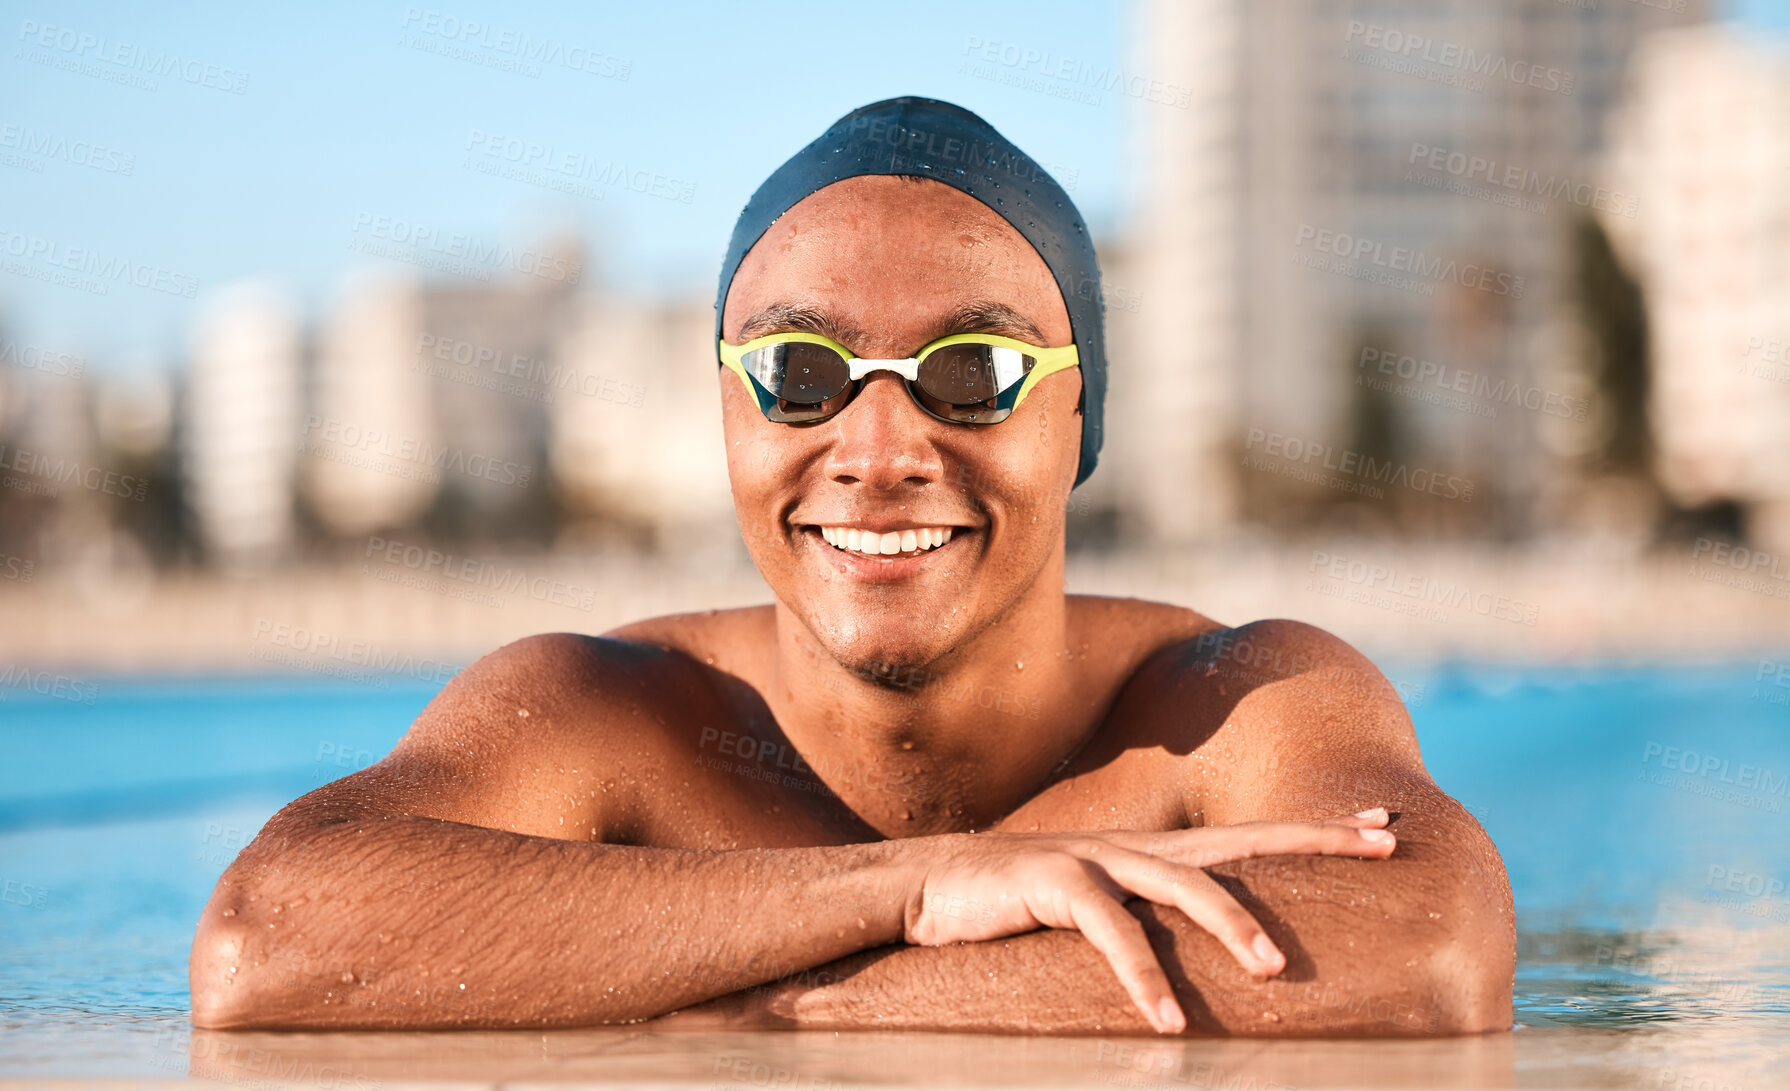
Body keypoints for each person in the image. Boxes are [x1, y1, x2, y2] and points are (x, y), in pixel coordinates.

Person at [189, 97, 1513, 1036]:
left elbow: (1431, 946)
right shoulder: (603, 712)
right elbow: (268, 937)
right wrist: (915, 888)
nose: (878, 449)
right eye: (800, 376)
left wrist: (757, 992)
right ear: (730, 418)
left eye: (973, 373)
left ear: (1075, 419)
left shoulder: (1229, 701)